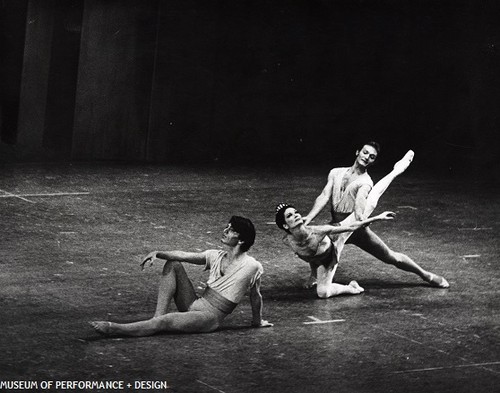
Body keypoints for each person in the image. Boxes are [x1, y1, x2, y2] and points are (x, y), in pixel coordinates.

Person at [90, 216, 273, 337]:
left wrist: (257, 322)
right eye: (226, 227)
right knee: (173, 264)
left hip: (208, 317)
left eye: (231, 229)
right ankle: (156, 319)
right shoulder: (215, 255)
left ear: (241, 240)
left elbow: (256, 295)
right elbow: (183, 255)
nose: (225, 231)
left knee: (168, 321)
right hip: (193, 304)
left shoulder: (252, 266)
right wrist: (158, 253)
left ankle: (114, 328)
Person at [302, 142, 449, 289]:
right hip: (337, 227)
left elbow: (360, 203)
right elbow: (324, 195)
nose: (367, 157)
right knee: (314, 243)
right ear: (357, 152)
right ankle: (314, 275)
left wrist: (361, 219)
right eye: (365, 153)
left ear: (373, 162)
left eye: (372, 157)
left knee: (391, 257)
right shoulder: (335, 172)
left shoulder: (366, 182)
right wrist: (308, 217)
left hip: (356, 229)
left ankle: (426, 275)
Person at [276, 202, 395, 298]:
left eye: (296, 212)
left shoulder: (318, 231)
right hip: (321, 253)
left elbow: (352, 227)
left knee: (323, 293)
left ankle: (351, 288)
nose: (296, 215)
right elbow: (310, 255)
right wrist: (313, 275)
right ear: (285, 226)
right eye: (290, 215)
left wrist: (378, 217)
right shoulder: (287, 241)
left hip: (331, 252)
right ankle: (328, 280)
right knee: (314, 257)